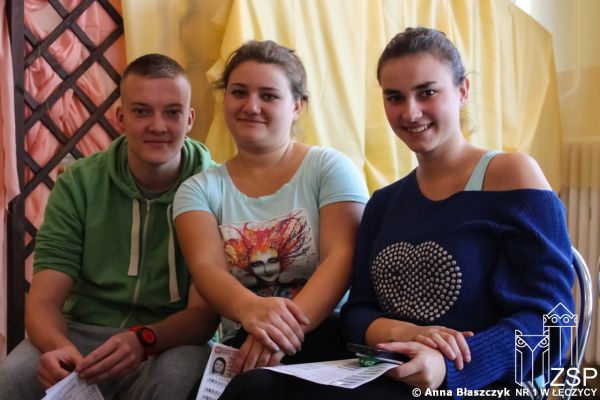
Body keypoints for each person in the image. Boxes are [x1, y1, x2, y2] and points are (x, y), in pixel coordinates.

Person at [210, 27, 576, 400]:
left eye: (427, 92)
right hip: (389, 373)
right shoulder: (385, 202)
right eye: (395, 97)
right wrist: (403, 332)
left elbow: (554, 322)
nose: (410, 112)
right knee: (253, 385)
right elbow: (358, 313)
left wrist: (447, 366)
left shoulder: (512, 176)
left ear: (462, 90)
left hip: (479, 384)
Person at [0, 53, 219, 399]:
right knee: (11, 377)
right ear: (120, 117)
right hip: (80, 332)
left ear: (189, 119)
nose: (158, 126)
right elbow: (43, 300)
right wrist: (60, 348)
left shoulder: (215, 187)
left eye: (172, 112)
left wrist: (144, 339)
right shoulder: (79, 183)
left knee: (178, 377)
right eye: (141, 111)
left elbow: (203, 317)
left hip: (169, 339)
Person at [173, 40, 369, 390]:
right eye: (239, 92)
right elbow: (206, 270)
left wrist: (277, 332)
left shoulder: (329, 169)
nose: (251, 106)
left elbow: (341, 258)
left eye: (268, 95)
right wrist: (252, 311)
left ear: (296, 106)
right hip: (245, 341)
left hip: (331, 334)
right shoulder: (197, 190)